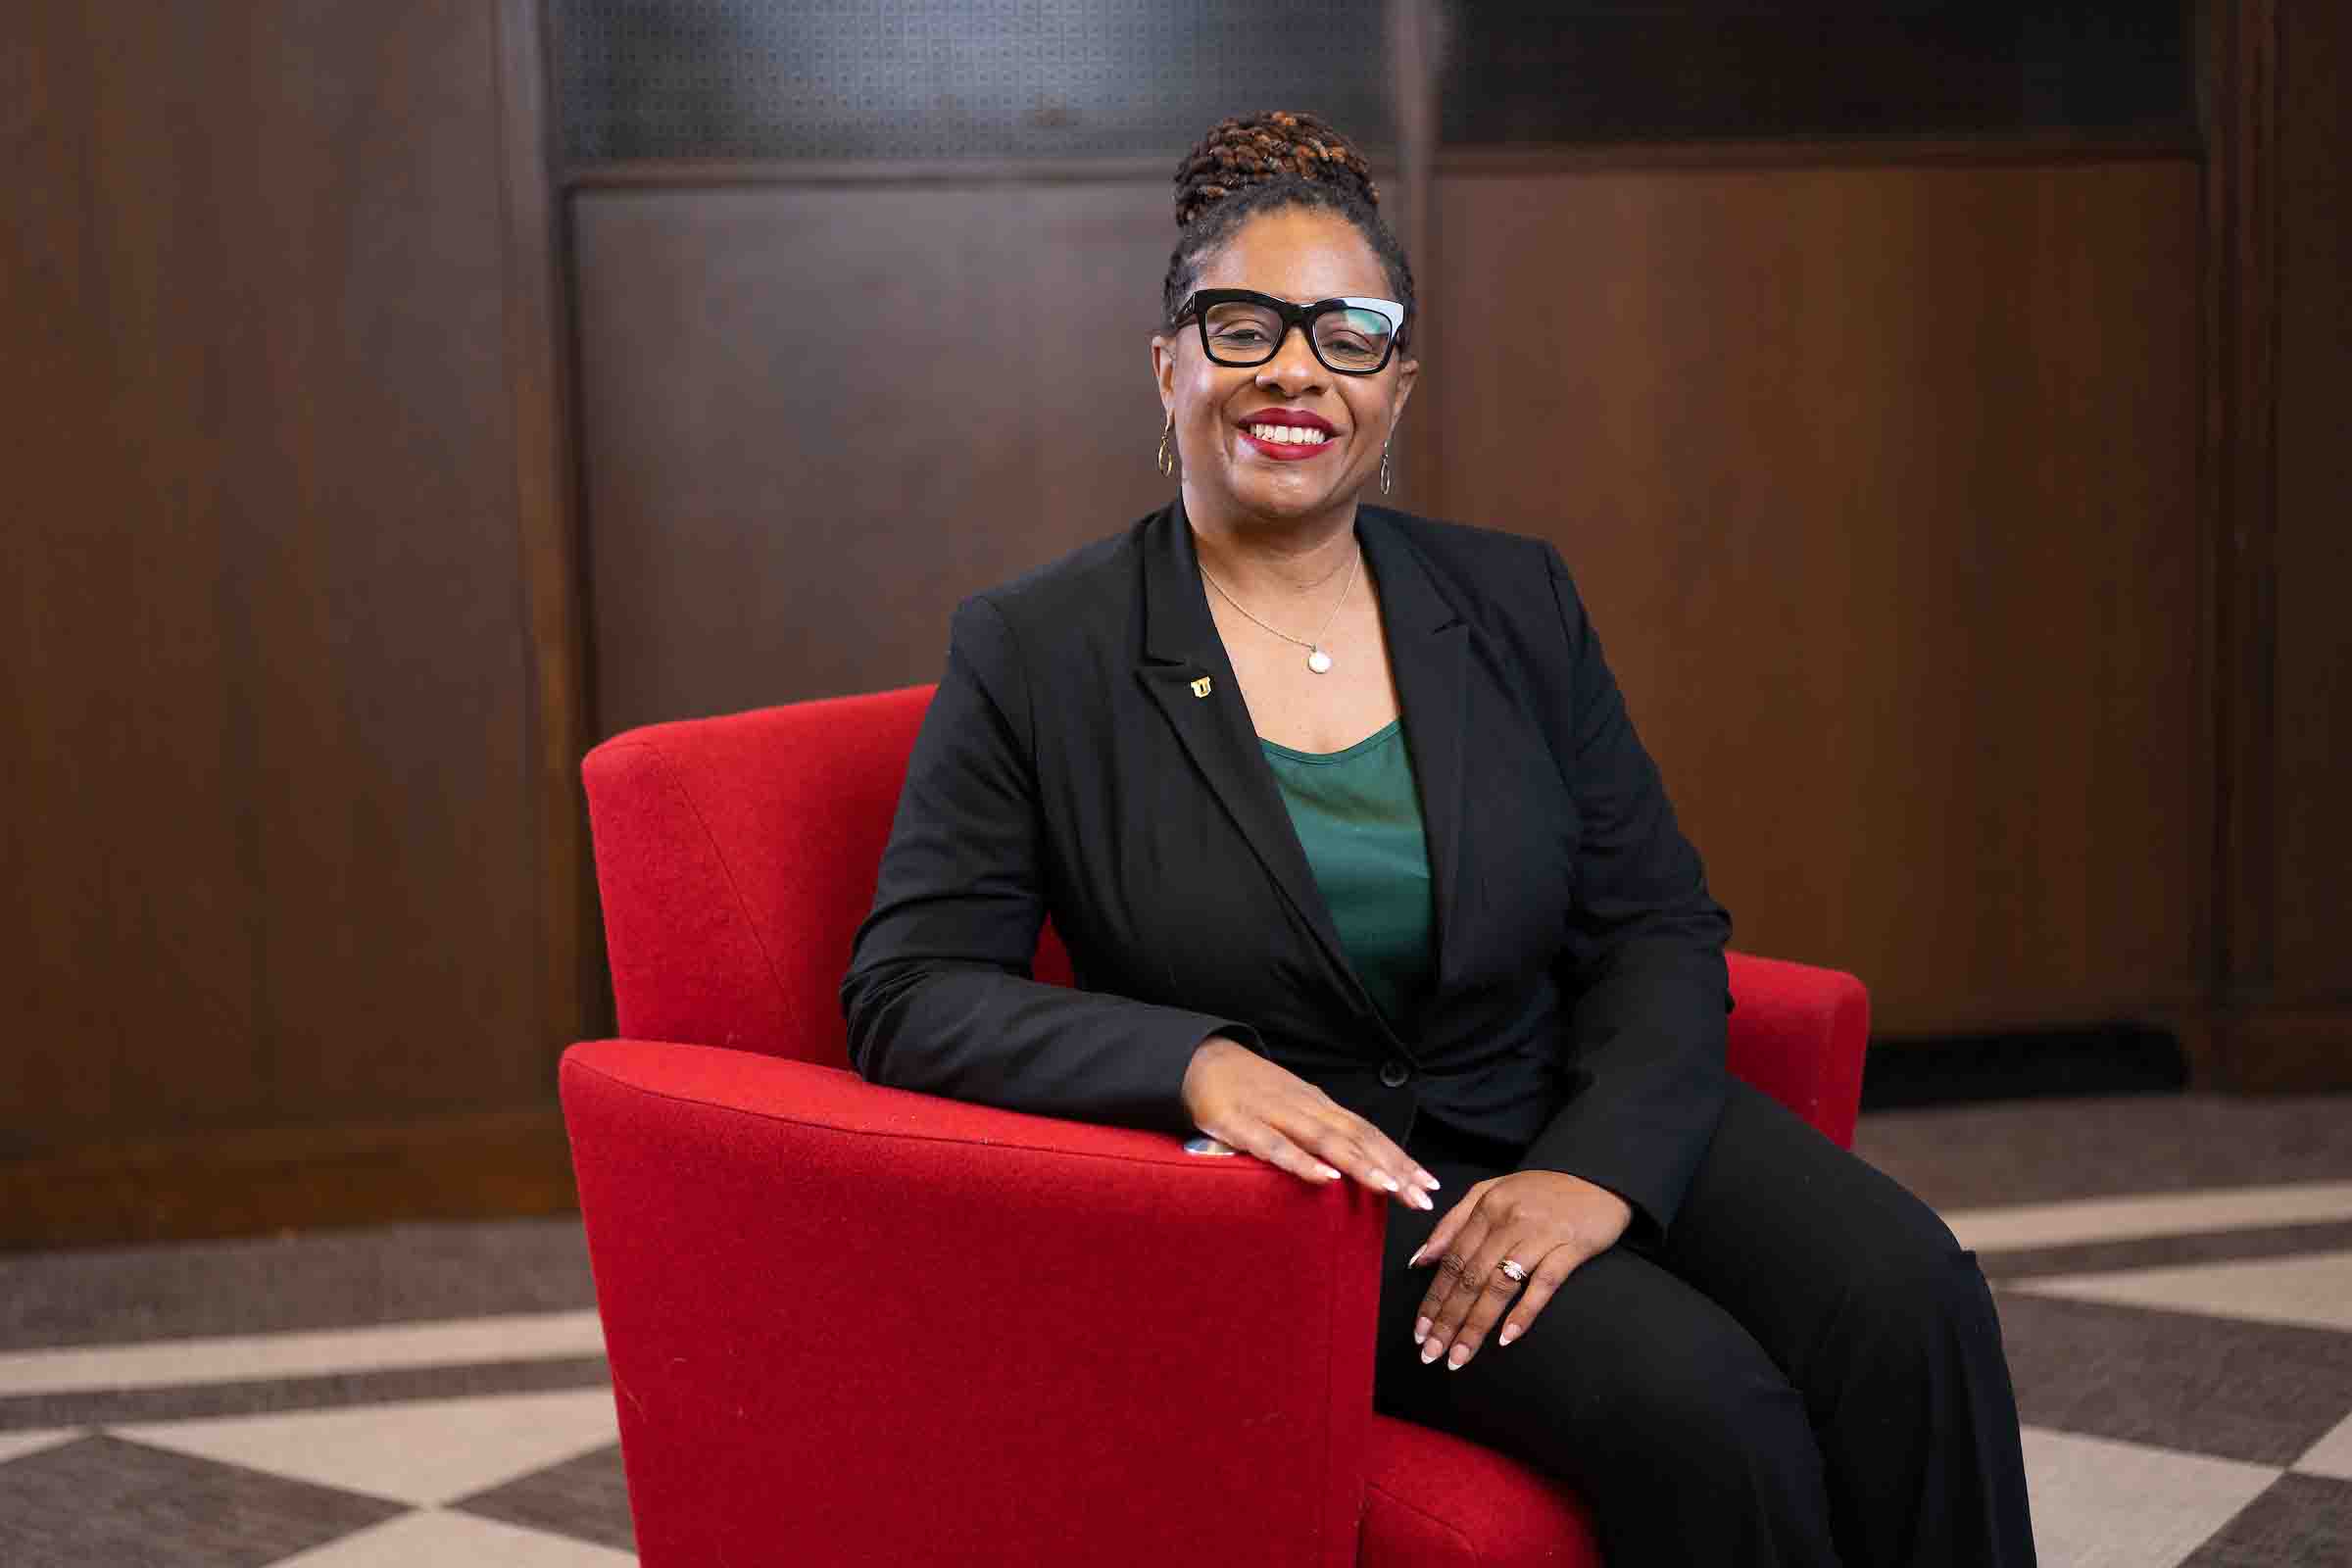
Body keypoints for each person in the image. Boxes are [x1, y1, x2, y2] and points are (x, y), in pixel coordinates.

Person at [841, 109, 2035, 1565]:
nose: (1295, 368)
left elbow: (1653, 924)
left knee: (1913, 1297)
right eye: (1243, 326)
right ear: (1167, 367)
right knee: (1709, 1408)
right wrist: (1192, 1065)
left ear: (1395, 389)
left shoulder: (1514, 600)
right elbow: (909, 993)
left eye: (1350, 335)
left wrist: (1598, 1170)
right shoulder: (1040, 647)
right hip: (1332, 1194)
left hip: (1562, 1101)